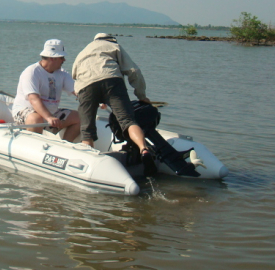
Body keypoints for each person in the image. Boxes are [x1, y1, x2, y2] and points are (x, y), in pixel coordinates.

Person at [72, 33, 198, 177]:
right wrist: (142, 96)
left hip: (85, 86)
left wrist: (91, 98)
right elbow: (133, 71)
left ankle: (90, 164)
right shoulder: (114, 46)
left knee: (87, 128)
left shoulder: (83, 52)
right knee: (128, 121)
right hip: (112, 81)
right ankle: (144, 149)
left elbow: (75, 76)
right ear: (111, 40)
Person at [12, 39, 81, 142]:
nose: (64, 60)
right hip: (26, 112)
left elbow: (77, 91)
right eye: (61, 57)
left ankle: (65, 145)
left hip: (50, 113)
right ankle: (31, 148)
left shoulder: (62, 73)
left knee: (79, 117)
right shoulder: (32, 72)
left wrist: (98, 101)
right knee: (36, 120)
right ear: (52, 58)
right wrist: (48, 117)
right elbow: (33, 99)